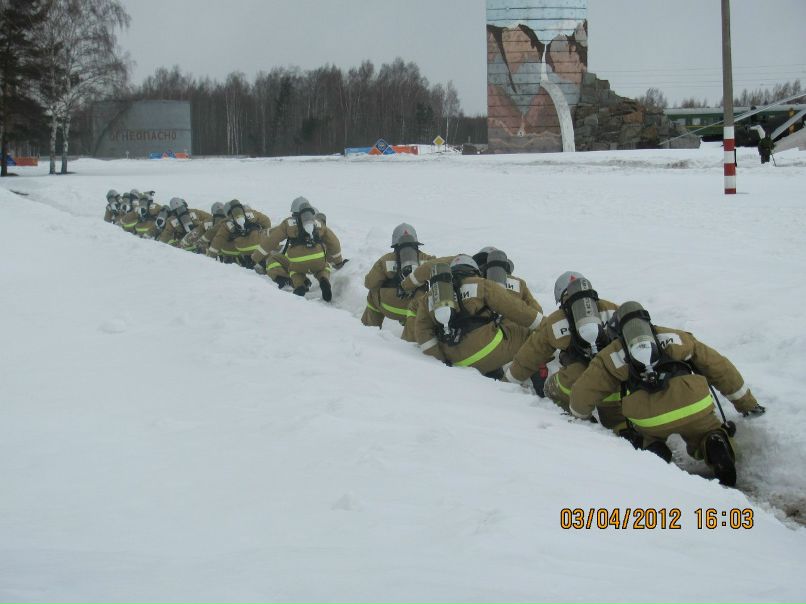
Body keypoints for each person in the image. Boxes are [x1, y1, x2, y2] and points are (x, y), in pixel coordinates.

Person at [569, 301, 765, 486]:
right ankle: (713, 442)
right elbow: (719, 367)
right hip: (693, 403)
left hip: (650, 417)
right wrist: (746, 403)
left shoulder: (611, 355)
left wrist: (579, 415)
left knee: (646, 437)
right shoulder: (677, 337)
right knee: (707, 430)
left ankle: (654, 450)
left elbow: (584, 391)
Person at [505, 272, 627, 431]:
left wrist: (508, 380)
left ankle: (576, 416)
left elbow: (531, 354)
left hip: (577, 384)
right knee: (617, 421)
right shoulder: (612, 309)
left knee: (551, 389)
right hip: (618, 381)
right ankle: (625, 434)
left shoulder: (555, 321)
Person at [414, 255, 542, 378]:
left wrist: (442, 361)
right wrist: (544, 325)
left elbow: (423, 335)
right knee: (527, 333)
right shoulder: (481, 284)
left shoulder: (428, 298)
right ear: (474, 270)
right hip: (488, 349)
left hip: (455, 360)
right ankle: (533, 371)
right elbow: (514, 308)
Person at [251, 196, 346, 301]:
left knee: (294, 271)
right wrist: (338, 262)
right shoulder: (318, 223)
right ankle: (323, 279)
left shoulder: (288, 223)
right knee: (324, 267)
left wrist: (255, 258)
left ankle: (299, 286)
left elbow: (271, 241)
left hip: (298, 261)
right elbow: (334, 242)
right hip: (317, 258)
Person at [361, 223, 434, 341]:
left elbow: (370, 283)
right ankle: (408, 343)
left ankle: (368, 331)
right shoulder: (427, 260)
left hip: (388, 307)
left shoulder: (386, 260)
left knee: (372, 294)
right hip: (415, 311)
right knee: (421, 298)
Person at [472, 246, 542, 314]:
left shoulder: (475, 282)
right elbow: (537, 310)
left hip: (486, 323)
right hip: (516, 323)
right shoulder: (519, 283)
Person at [206, 200, 271, 267]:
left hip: (242, 249)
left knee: (247, 263)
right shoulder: (252, 213)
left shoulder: (227, 222)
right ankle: (264, 267)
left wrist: (210, 256)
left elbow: (219, 239)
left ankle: (249, 268)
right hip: (258, 245)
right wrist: (263, 231)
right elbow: (267, 221)